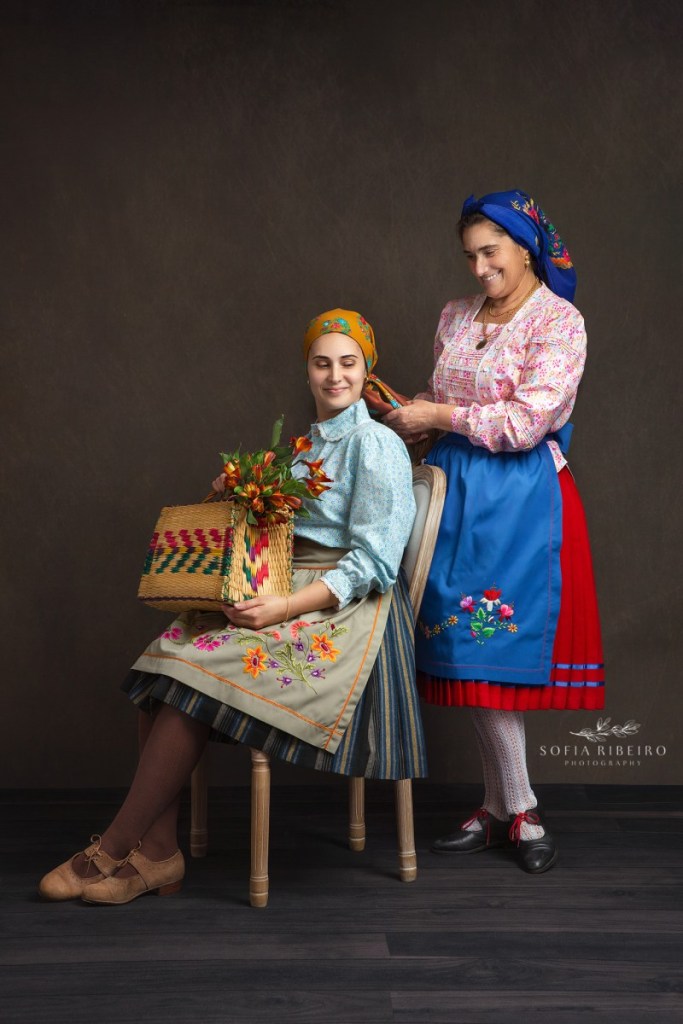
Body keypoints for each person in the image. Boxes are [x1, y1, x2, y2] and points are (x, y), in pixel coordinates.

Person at [39, 308, 425, 904]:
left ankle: (113, 851)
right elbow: (256, 537)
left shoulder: (375, 444)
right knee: (165, 667)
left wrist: (284, 608)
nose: (334, 376)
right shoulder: (301, 449)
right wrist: (232, 495)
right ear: (307, 370)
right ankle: (159, 856)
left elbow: (375, 563)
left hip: (344, 612)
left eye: (348, 363)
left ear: (366, 369)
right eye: (322, 363)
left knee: (196, 676)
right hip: (282, 588)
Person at [385, 190, 604, 873]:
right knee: (460, 651)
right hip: (449, 492)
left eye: (490, 252)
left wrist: (437, 413)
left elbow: (523, 422)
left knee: (488, 648)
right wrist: (408, 419)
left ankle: (520, 810)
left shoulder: (559, 324)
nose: (479, 269)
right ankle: (499, 807)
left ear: (525, 246)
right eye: (469, 256)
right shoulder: (454, 316)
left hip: (517, 499)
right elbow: (438, 400)